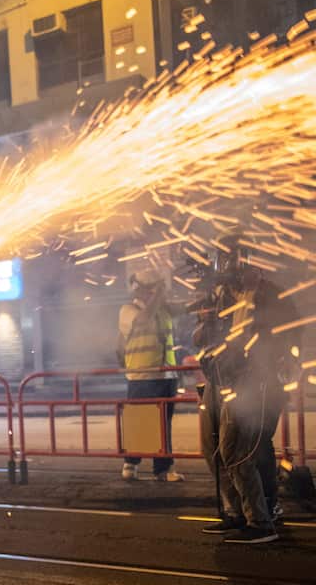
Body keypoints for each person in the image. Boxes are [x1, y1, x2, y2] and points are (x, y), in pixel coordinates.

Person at [194, 230, 298, 544]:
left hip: (256, 384)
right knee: (218, 451)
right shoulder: (223, 295)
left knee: (244, 451)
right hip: (224, 381)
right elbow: (208, 337)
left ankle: (263, 516)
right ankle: (238, 513)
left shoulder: (270, 296)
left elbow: (282, 339)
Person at [117, 268, 185, 481]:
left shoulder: (163, 310)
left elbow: (181, 308)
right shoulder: (128, 310)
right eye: (155, 289)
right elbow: (143, 320)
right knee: (140, 423)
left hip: (166, 375)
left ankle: (163, 469)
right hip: (142, 377)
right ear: (142, 290)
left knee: (163, 424)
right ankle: (131, 464)